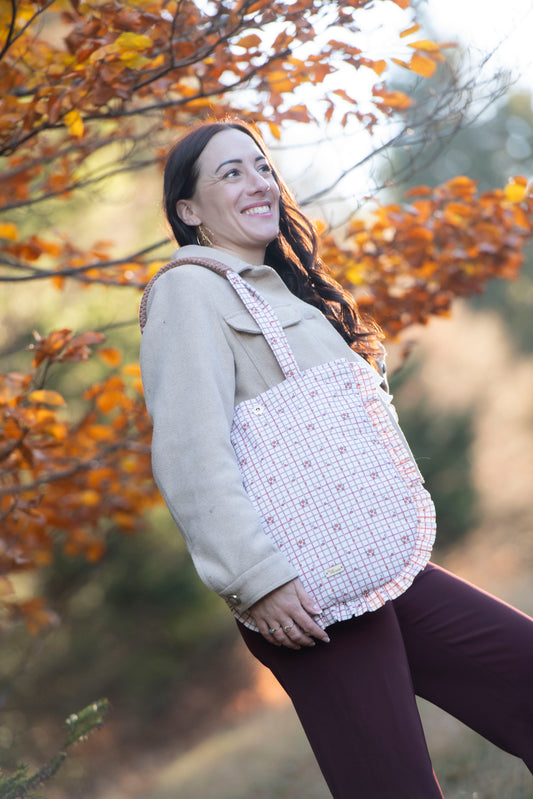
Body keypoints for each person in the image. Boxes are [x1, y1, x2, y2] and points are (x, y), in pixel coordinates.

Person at [139, 119, 533, 798]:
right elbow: (189, 453)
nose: (256, 181)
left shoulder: (278, 288)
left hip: (366, 560)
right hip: (303, 595)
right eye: (229, 173)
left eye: (260, 165)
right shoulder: (187, 291)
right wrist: (255, 578)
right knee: (393, 786)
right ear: (189, 210)